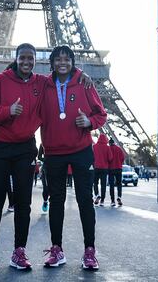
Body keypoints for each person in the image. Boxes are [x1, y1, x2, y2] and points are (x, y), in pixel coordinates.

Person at [0, 43, 92, 271]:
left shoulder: (42, 82)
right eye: (23, 58)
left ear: (36, 61)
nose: (27, 62)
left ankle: (19, 251)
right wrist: (7, 111)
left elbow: (64, 76)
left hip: (25, 148)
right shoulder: (0, 81)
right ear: (16, 58)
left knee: (24, 203)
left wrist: (81, 73)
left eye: (31, 58)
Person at [40, 45, 107, 270]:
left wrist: (89, 122)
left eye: (67, 59)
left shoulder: (85, 83)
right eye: (58, 59)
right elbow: (23, 76)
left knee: (85, 200)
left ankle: (90, 250)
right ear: (51, 62)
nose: (62, 62)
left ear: (72, 61)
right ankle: (56, 248)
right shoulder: (44, 85)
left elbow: (101, 114)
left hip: (80, 150)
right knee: (56, 201)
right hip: (54, 153)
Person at [93, 134, 112, 207]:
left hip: (96, 168)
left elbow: (91, 157)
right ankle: (102, 201)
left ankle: (97, 194)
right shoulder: (107, 148)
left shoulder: (94, 147)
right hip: (104, 168)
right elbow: (110, 158)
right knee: (103, 185)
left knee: (95, 183)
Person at [108, 138, 125, 207]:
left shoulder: (108, 149)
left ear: (109, 143)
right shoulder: (119, 149)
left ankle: (112, 201)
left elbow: (108, 158)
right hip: (118, 168)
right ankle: (119, 197)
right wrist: (119, 163)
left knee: (111, 185)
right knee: (119, 184)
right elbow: (122, 158)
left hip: (111, 169)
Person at [38, 144, 49, 213]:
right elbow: (39, 156)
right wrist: (46, 160)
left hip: (57, 166)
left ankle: (54, 204)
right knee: (46, 187)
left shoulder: (58, 140)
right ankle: (45, 201)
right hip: (46, 168)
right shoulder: (42, 144)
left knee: (55, 187)